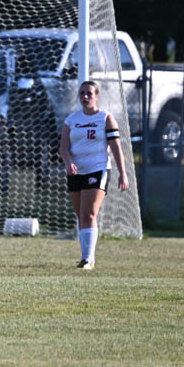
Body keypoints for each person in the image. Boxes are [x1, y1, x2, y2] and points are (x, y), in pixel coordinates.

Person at [59, 80, 129, 270]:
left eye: (89, 93)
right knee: (80, 214)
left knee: (89, 213)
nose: (85, 97)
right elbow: (64, 147)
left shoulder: (105, 118)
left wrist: (123, 173)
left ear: (97, 96)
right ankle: (86, 257)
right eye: (82, 93)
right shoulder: (71, 120)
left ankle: (88, 259)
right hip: (75, 171)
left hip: (97, 169)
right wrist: (68, 162)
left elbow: (115, 147)